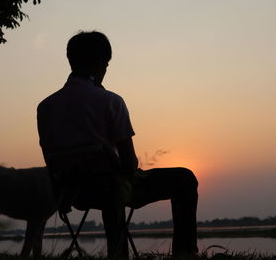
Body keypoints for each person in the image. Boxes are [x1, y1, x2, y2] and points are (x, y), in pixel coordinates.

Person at [37, 31, 198, 258]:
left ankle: (119, 250)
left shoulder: (45, 107)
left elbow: (50, 159)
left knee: (108, 182)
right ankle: (186, 253)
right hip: (110, 191)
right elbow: (130, 163)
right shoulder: (110, 101)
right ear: (101, 64)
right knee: (184, 178)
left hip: (71, 194)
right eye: (106, 65)